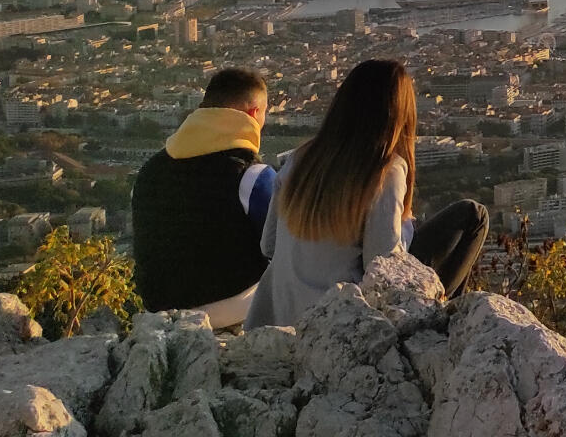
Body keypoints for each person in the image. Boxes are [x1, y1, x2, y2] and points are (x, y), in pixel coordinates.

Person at [245, 59, 487, 328]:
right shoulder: (385, 169)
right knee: (473, 215)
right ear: (400, 113)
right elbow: (383, 266)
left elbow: (268, 245)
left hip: (278, 315)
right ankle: (442, 321)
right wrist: (405, 228)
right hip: (340, 321)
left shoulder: (301, 158)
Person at [132, 68, 275, 328]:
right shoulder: (252, 176)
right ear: (254, 114)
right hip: (229, 307)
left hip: (158, 310)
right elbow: (281, 243)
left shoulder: (150, 169)